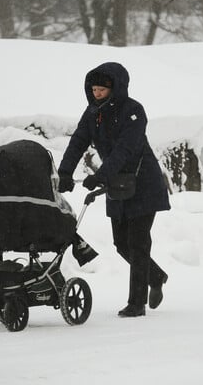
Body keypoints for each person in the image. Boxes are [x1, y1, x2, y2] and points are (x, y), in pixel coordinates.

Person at [58, 62, 170, 318]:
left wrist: (100, 175)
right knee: (121, 243)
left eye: (101, 90)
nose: (96, 94)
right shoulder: (92, 113)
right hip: (117, 185)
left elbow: (125, 148)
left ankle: (137, 302)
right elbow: (78, 142)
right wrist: (65, 172)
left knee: (138, 242)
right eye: (94, 89)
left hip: (143, 183)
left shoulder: (134, 111)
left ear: (116, 88)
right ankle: (156, 276)